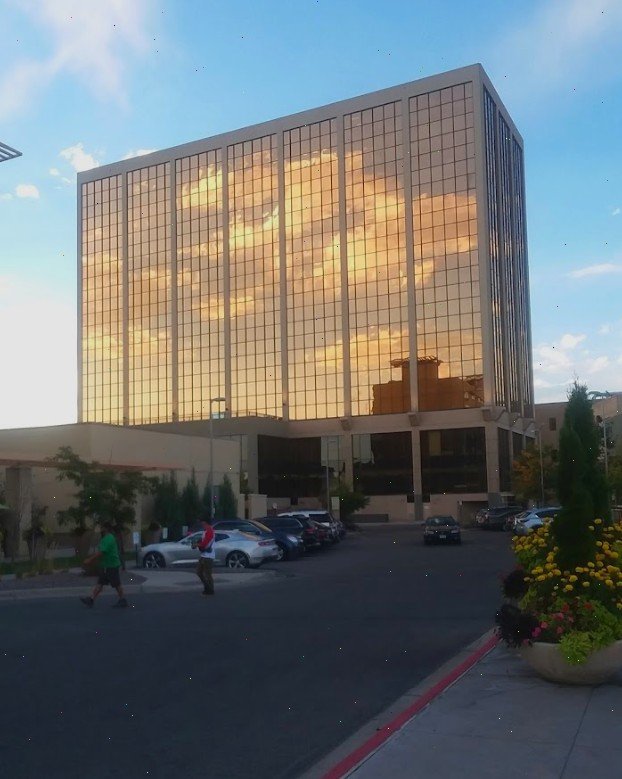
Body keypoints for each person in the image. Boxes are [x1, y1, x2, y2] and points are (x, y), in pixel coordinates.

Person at [80, 521, 128, 608]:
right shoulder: (105, 538)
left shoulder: (109, 538)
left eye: (102, 528)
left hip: (112, 565)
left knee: (116, 584)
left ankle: (123, 600)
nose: (100, 529)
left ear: (106, 528)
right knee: (100, 583)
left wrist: (90, 560)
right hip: (106, 565)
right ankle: (91, 600)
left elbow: (101, 552)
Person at [196, 518, 215, 596]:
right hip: (204, 555)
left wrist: (197, 545)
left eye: (203, 524)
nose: (202, 525)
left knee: (207, 573)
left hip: (208, 556)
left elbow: (205, 543)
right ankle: (208, 587)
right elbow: (202, 542)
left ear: (206, 523)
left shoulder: (210, 531)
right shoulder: (206, 531)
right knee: (199, 572)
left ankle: (210, 589)